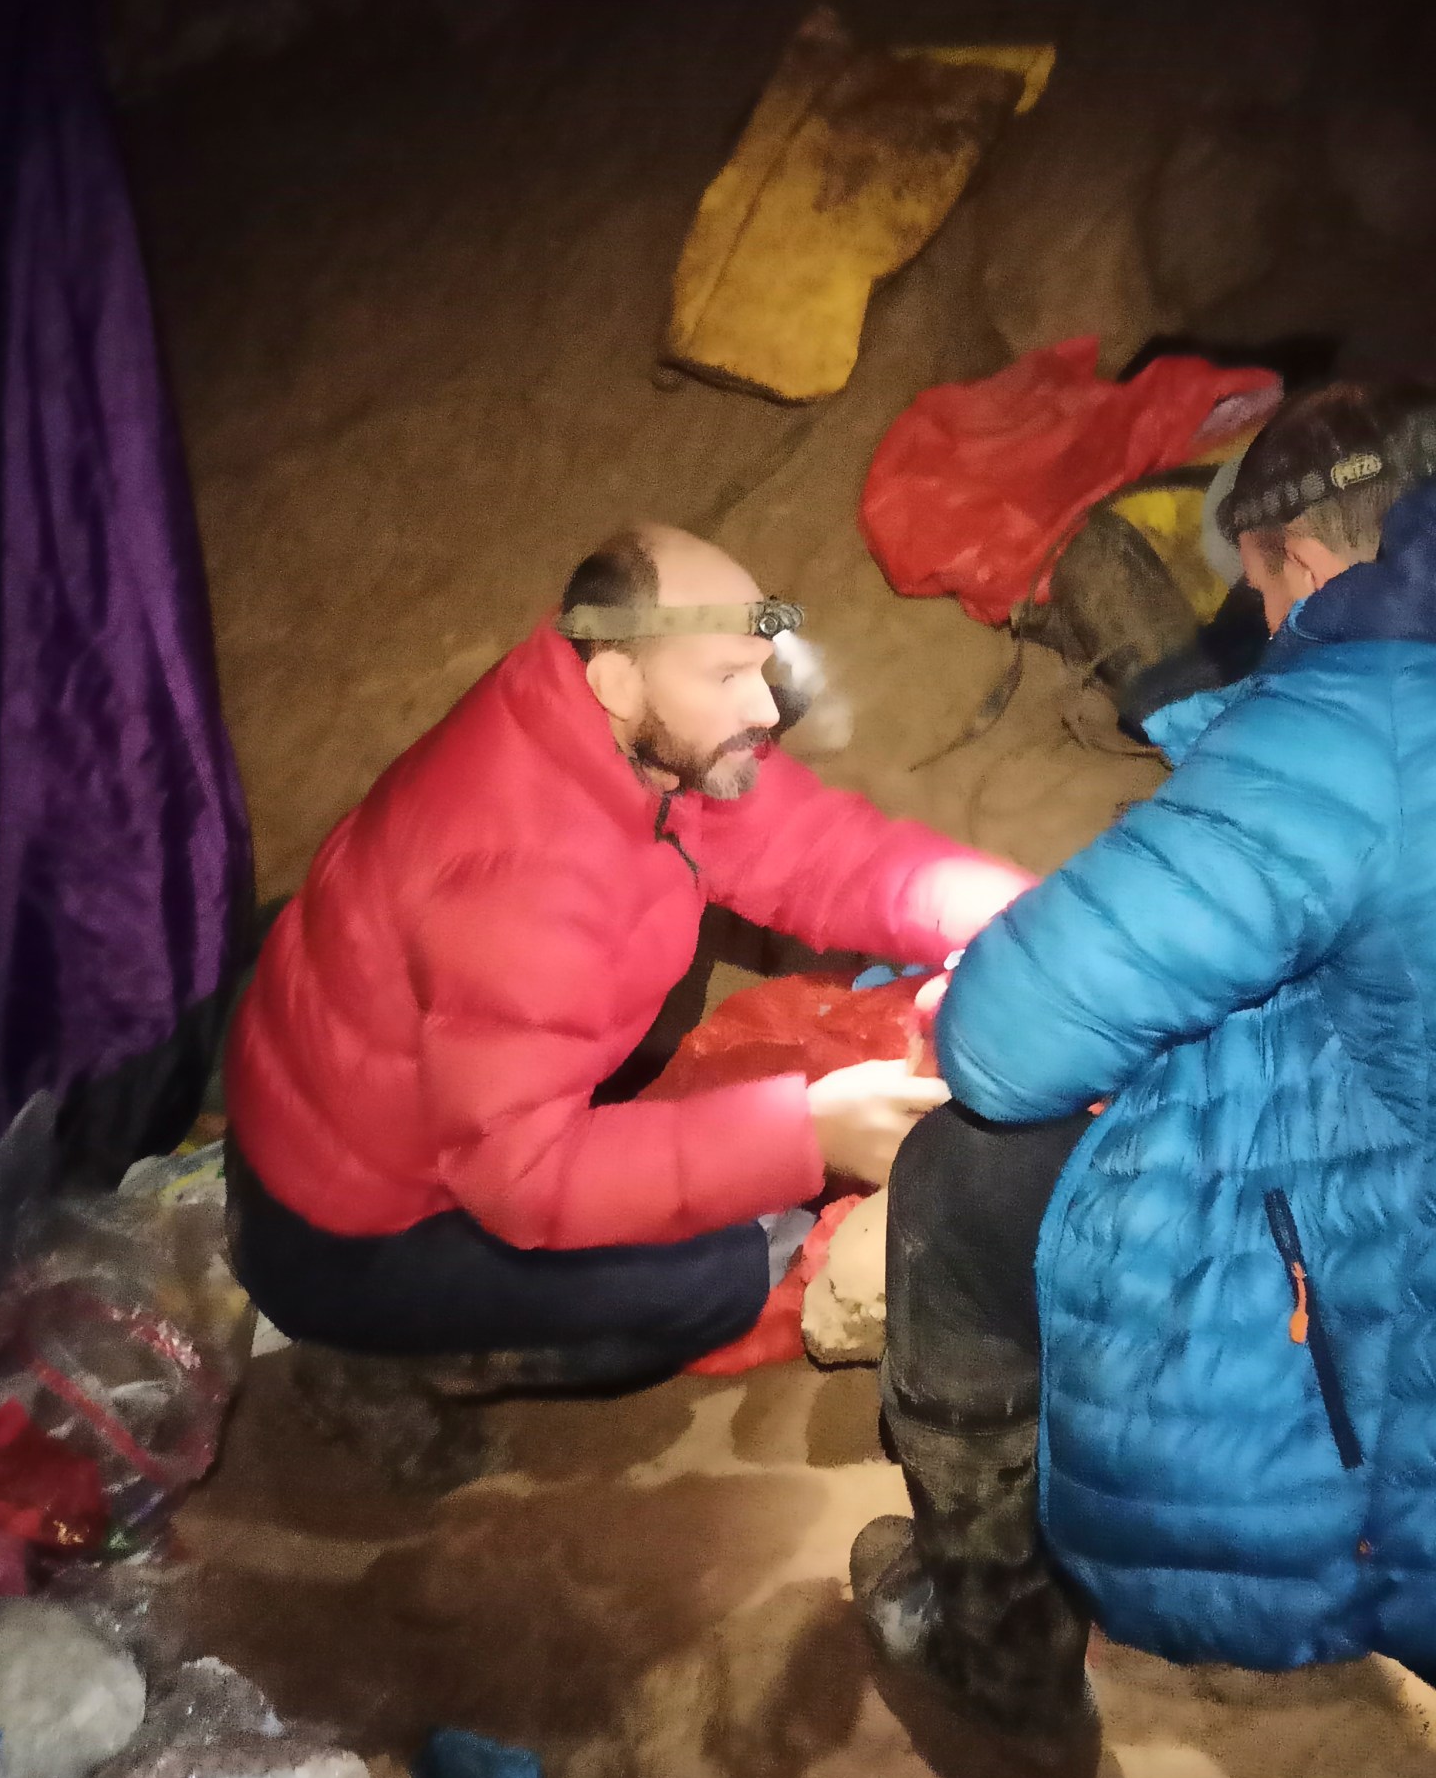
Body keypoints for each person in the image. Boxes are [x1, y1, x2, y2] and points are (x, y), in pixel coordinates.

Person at [853, 380, 1436, 1748]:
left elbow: (1002, 1044)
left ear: (1294, 556)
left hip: (1396, 1264)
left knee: (967, 1177)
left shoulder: (1351, 735)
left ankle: (997, 1634)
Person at [224, 524, 1031, 1394]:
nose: (765, 711)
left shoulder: (619, 726)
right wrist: (807, 1131)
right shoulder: (519, 892)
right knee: (720, 1277)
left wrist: (1033, 923)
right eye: (727, 678)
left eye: (761, 669)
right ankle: (408, 1362)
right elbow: (524, 1178)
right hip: (350, 1231)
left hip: (376, 1081)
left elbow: (814, 849)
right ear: (617, 678)